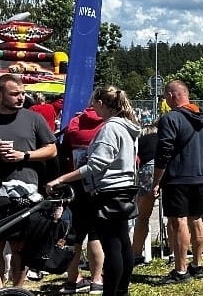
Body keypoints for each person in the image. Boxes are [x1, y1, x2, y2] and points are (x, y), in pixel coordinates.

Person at [47, 86, 142, 296]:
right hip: (125, 188)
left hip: (108, 190)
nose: (92, 109)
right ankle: (122, 290)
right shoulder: (128, 126)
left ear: (100, 103)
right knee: (122, 242)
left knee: (112, 246)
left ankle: (112, 291)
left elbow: (96, 165)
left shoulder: (110, 128)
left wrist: (62, 178)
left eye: (94, 104)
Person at [0, 73, 58, 290]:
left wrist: (24, 155)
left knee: (20, 246)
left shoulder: (33, 118)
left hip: (26, 191)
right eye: (14, 94)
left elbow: (52, 149)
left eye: (22, 93)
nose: (21, 98)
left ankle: (18, 290)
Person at [152, 80, 203, 284]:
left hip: (176, 177)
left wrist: (156, 180)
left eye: (165, 97)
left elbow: (164, 151)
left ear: (171, 95)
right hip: (198, 176)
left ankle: (180, 270)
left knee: (178, 222)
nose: (165, 100)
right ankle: (197, 264)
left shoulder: (170, 118)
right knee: (196, 219)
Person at [63, 98, 108, 293]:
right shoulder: (107, 124)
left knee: (75, 235)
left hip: (75, 184)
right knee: (96, 233)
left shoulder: (75, 122)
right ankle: (97, 280)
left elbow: (64, 148)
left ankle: (72, 280)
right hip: (99, 185)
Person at [131, 118, 160, 266]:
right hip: (165, 168)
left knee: (142, 217)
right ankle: (174, 253)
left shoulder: (140, 139)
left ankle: (136, 253)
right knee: (174, 217)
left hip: (147, 171)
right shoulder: (161, 137)